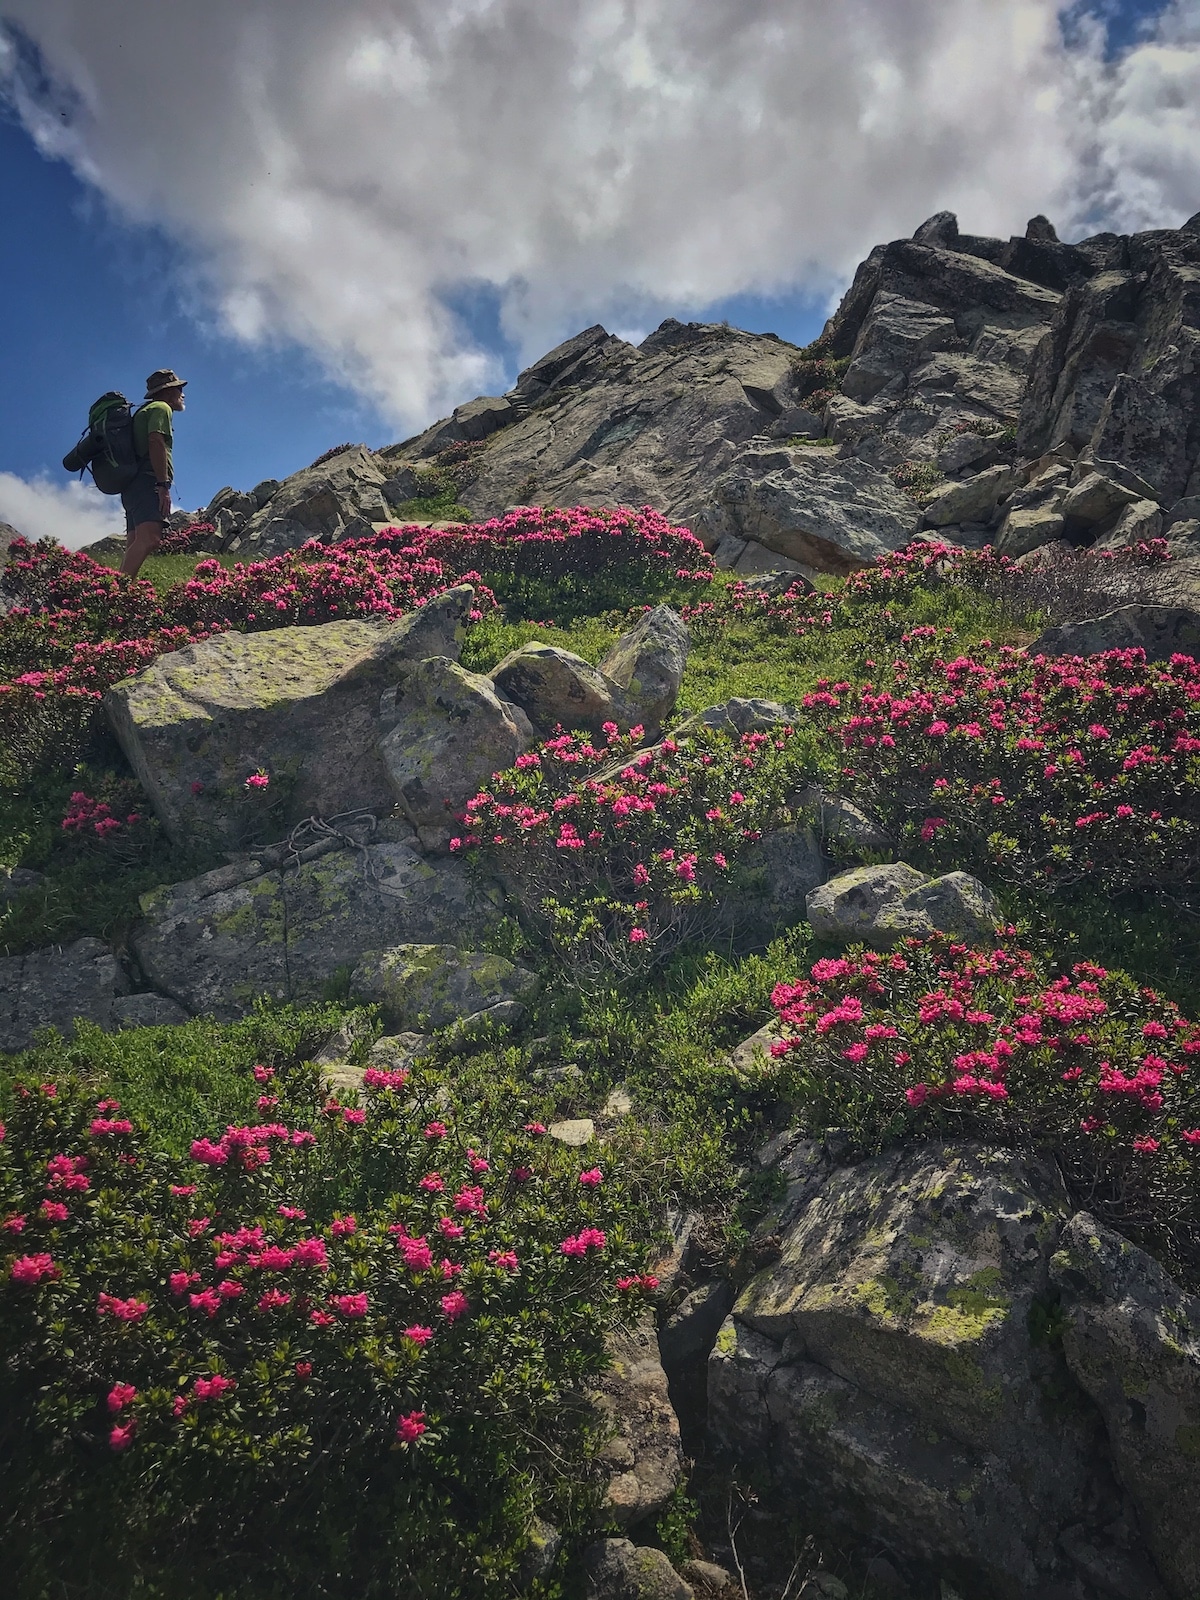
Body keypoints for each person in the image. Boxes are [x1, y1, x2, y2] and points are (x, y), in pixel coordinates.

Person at [119, 368, 187, 578]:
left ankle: (114, 591)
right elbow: (155, 441)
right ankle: (117, 593)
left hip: (131, 486)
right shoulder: (160, 408)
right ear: (167, 392)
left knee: (135, 541)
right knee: (150, 538)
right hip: (146, 482)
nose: (182, 394)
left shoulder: (143, 411)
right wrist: (163, 485)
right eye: (178, 389)